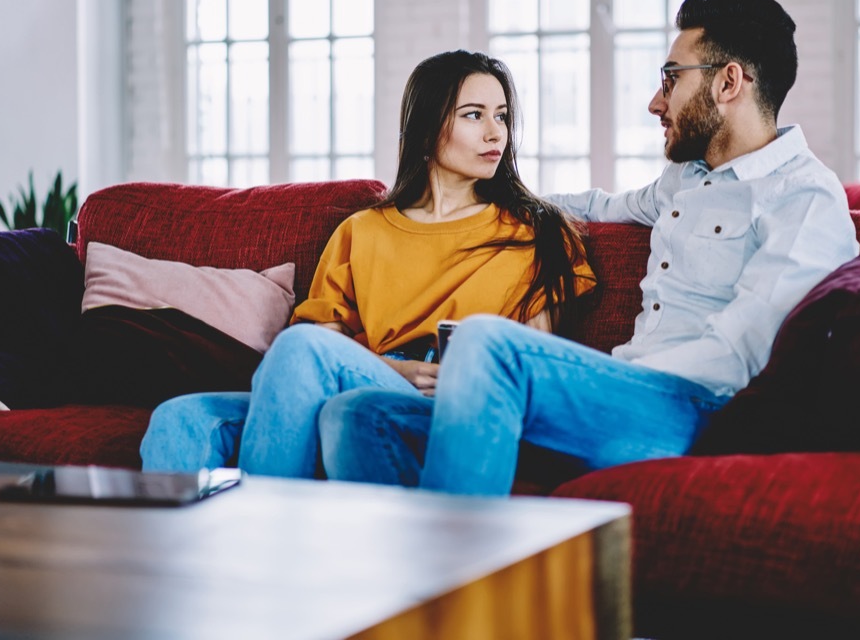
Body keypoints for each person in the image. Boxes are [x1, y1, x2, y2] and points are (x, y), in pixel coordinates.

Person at [317, 0, 860, 496]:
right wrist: (489, 206)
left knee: (485, 342)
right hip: (623, 397)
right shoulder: (688, 179)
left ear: (728, 83)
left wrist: (611, 377)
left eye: (671, 79)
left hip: (699, 410)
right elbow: (600, 206)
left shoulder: (804, 198)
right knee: (360, 414)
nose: (655, 102)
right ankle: (405, 564)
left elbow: (740, 355)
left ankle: (470, 565)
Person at [139, 50, 595, 478]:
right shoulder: (362, 230)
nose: (496, 133)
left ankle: (268, 523)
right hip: (366, 376)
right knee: (178, 418)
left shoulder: (536, 232)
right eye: (474, 115)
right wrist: (394, 370)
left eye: (502, 116)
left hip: (446, 400)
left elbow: (531, 365)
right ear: (426, 129)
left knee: (304, 351)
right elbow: (321, 345)